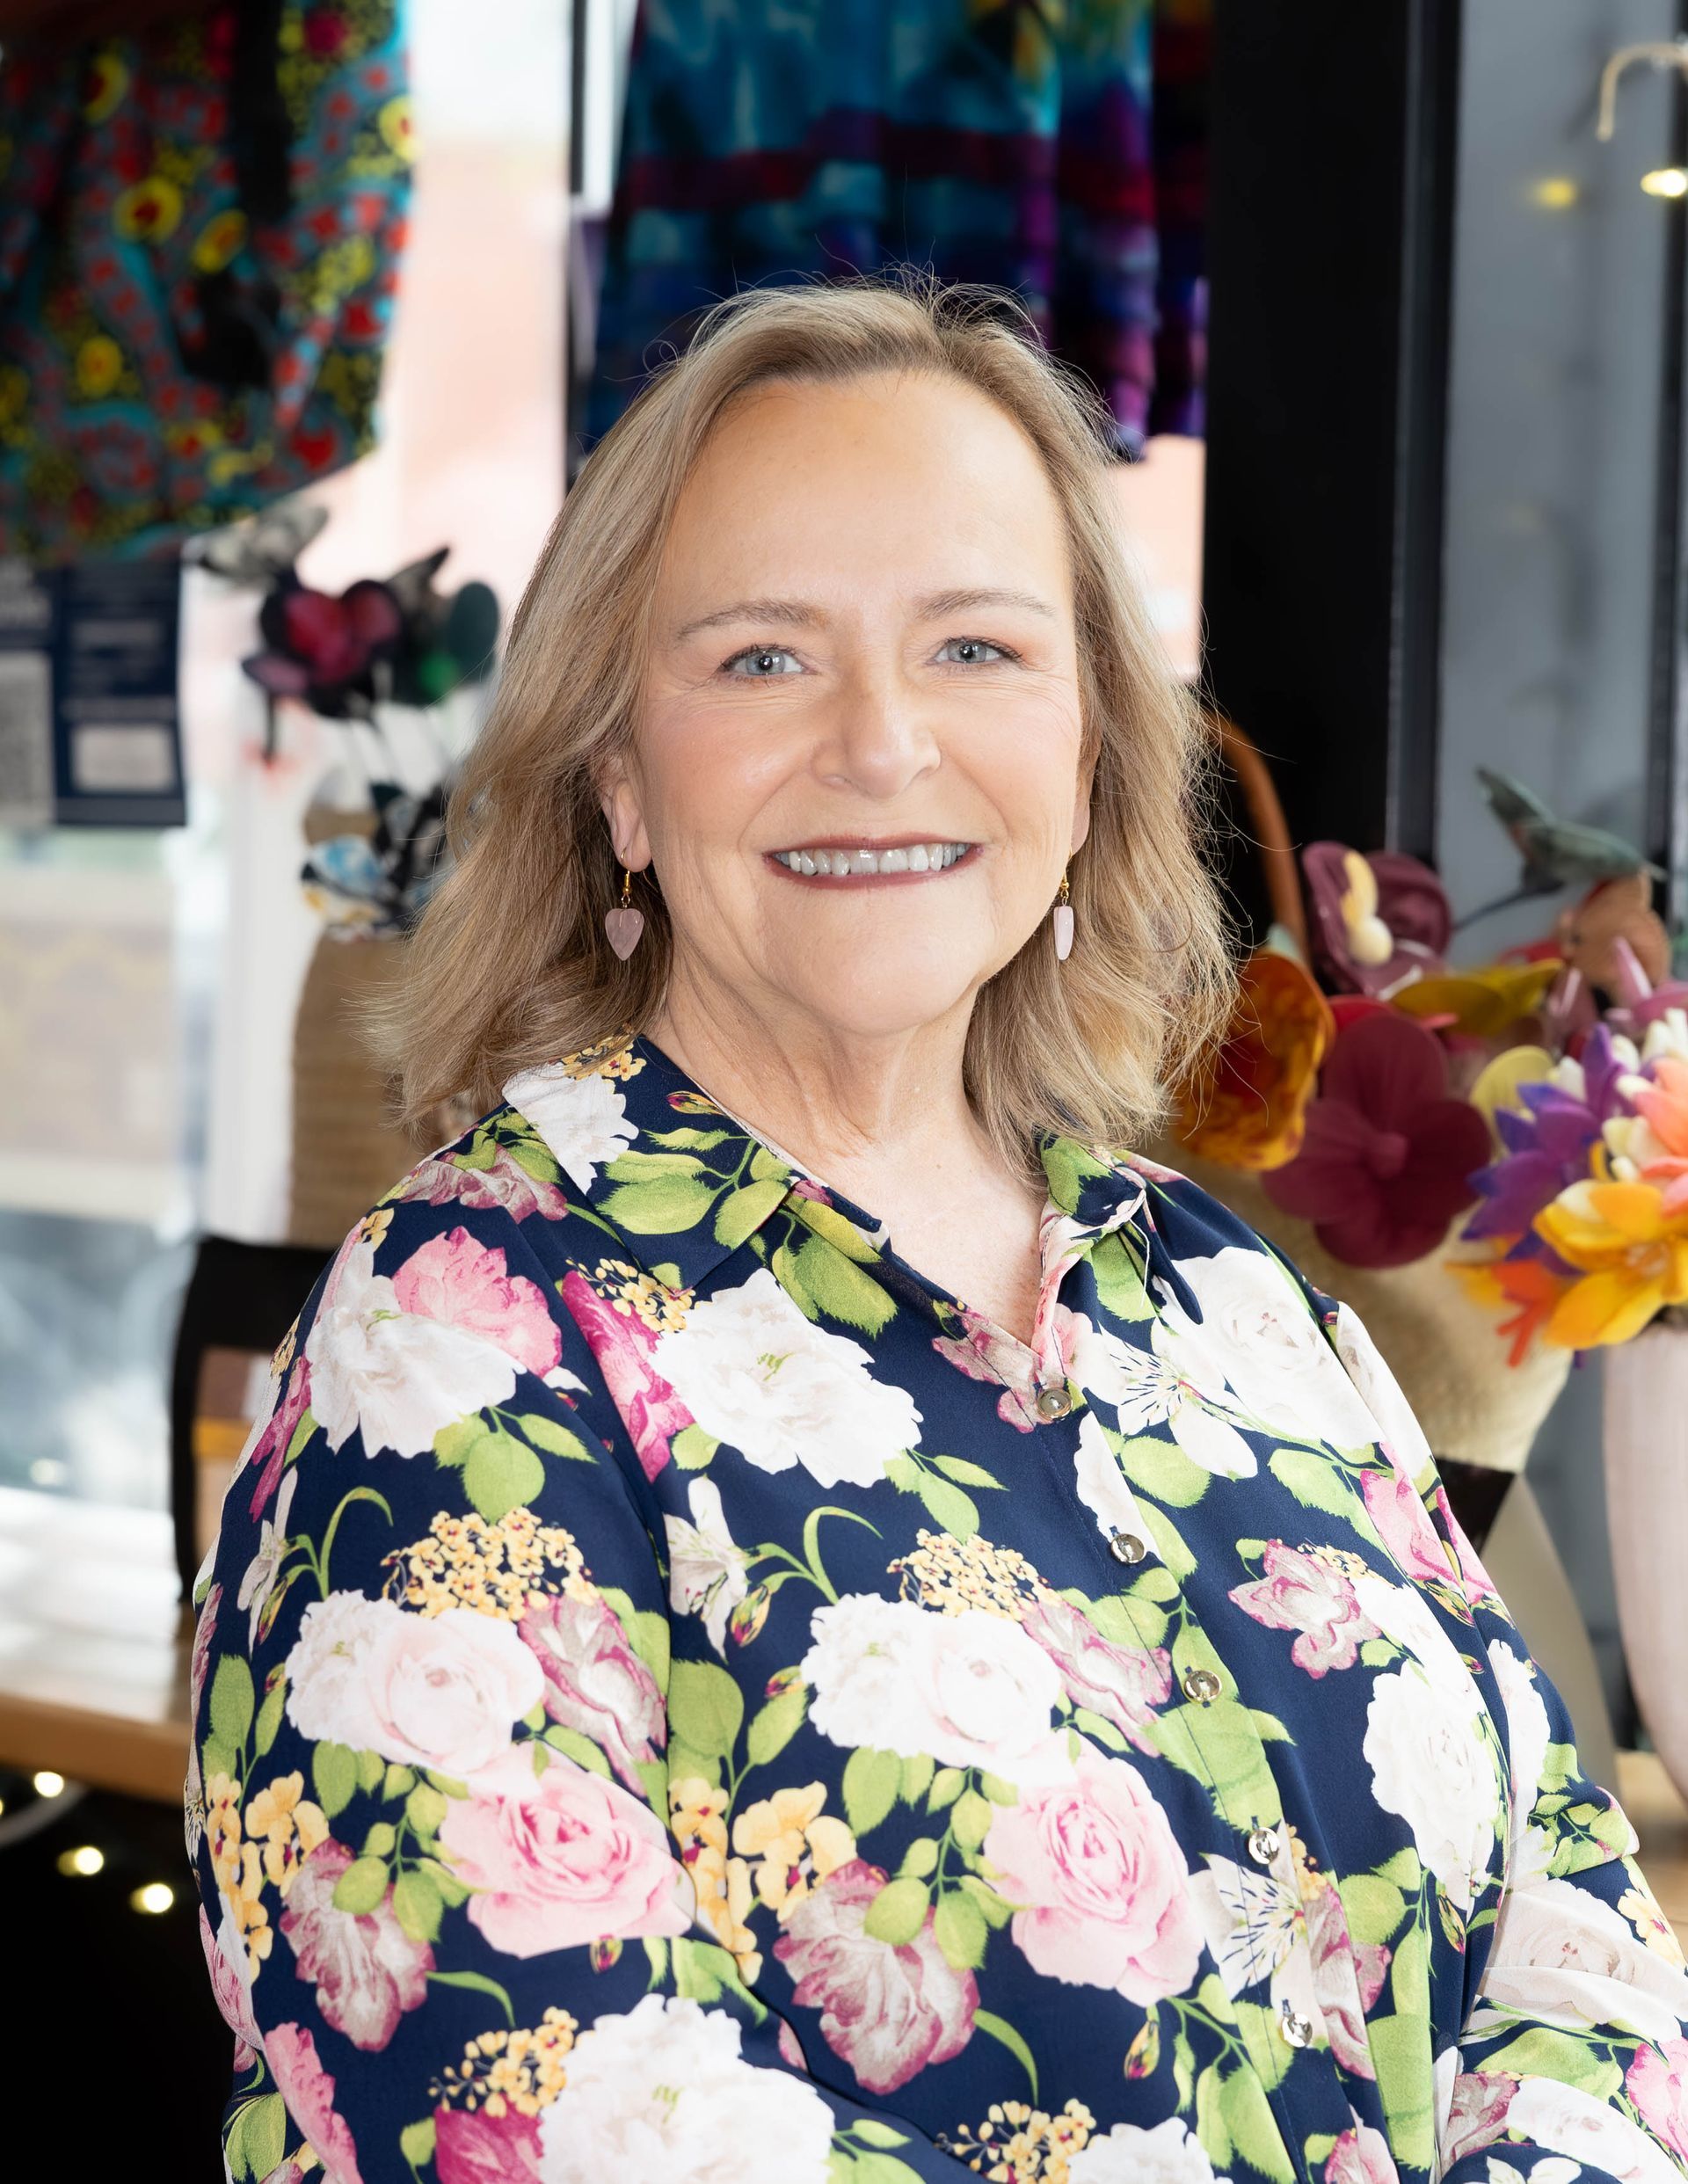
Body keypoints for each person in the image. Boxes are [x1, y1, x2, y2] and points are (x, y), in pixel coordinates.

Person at [185, 270, 1688, 2184]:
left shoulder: (1236, 1301)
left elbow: (1570, 1915)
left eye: (978, 649)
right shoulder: (462, 1335)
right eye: (760, 659)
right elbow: (514, 2097)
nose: (882, 744)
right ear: (620, 781)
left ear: (1088, 754)